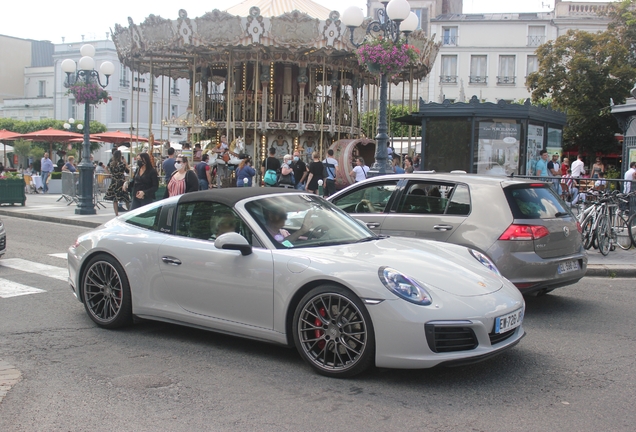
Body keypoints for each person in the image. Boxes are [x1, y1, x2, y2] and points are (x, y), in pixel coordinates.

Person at [104, 149, 130, 216]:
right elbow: (128, 171)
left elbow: (106, 168)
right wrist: (125, 163)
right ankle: (129, 212)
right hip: (121, 182)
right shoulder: (122, 164)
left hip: (114, 181)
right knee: (125, 198)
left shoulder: (112, 164)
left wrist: (109, 174)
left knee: (115, 199)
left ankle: (116, 214)